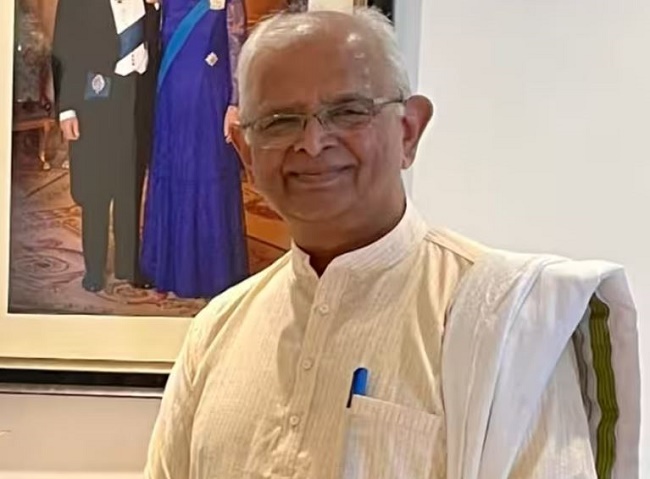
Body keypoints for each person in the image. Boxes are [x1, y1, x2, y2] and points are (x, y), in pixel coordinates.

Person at [144, 7, 641, 479]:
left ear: (409, 132)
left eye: (348, 112)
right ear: (245, 153)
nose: (312, 143)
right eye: (280, 121)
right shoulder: (217, 330)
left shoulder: (504, 321)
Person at [140, 0, 249, 299]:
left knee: (208, 173)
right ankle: (169, 269)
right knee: (174, 172)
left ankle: (213, 274)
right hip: (171, 95)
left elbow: (237, 44)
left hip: (211, 99)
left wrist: (235, 102)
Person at [51, 0, 160, 292]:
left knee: (130, 184)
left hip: (137, 97)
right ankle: (95, 267)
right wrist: (66, 109)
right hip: (94, 98)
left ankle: (128, 264)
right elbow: (63, 49)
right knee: (96, 187)